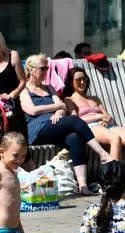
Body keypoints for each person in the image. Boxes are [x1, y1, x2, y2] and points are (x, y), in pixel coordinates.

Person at [20, 54, 114, 195]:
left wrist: (59, 112)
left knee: (75, 138)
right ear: (31, 70)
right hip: (37, 129)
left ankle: (83, 186)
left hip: (55, 125)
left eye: (47, 68)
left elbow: (62, 106)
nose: (46, 71)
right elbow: (32, 110)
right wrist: (55, 107)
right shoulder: (24, 90)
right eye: (43, 68)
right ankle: (102, 154)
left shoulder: (49, 88)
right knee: (75, 120)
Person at [63, 66, 125, 170]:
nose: (83, 82)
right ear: (71, 82)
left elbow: (107, 115)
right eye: (78, 80)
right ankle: (115, 180)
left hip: (108, 126)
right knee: (115, 139)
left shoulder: (94, 98)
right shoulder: (69, 99)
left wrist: (107, 119)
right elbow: (75, 120)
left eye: (85, 79)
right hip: (89, 127)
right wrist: (98, 116)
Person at [0, 33, 28, 139]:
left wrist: (12, 95)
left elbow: (22, 81)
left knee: (19, 141)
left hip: (13, 107)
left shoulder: (13, 55)